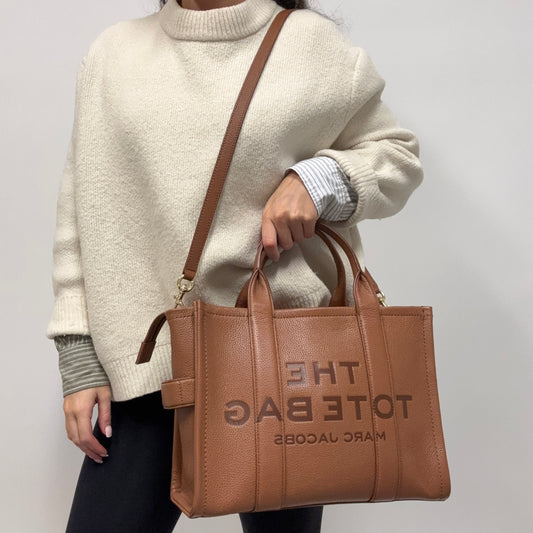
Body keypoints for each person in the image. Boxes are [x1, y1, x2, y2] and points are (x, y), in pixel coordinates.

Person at [45, 0, 424, 531]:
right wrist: (77, 354)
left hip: (283, 369)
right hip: (145, 366)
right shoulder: (113, 53)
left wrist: (319, 181)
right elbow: (79, 210)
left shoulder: (311, 45)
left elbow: (398, 156)